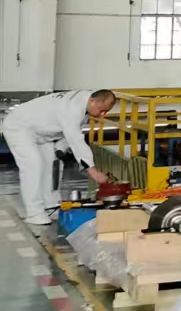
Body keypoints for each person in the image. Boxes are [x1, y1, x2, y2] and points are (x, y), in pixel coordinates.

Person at [2, 89, 117, 225]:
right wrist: (93, 171)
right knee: (33, 165)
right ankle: (34, 212)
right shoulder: (73, 108)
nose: (102, 115)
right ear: (93, 101)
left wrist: (60, 148)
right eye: (101, 110)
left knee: (52, 165)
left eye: (106, 111)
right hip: (19, 127)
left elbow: (70, 129)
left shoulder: (85, 103)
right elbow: (76, 140)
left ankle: (51, 206)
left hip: (42, 133)